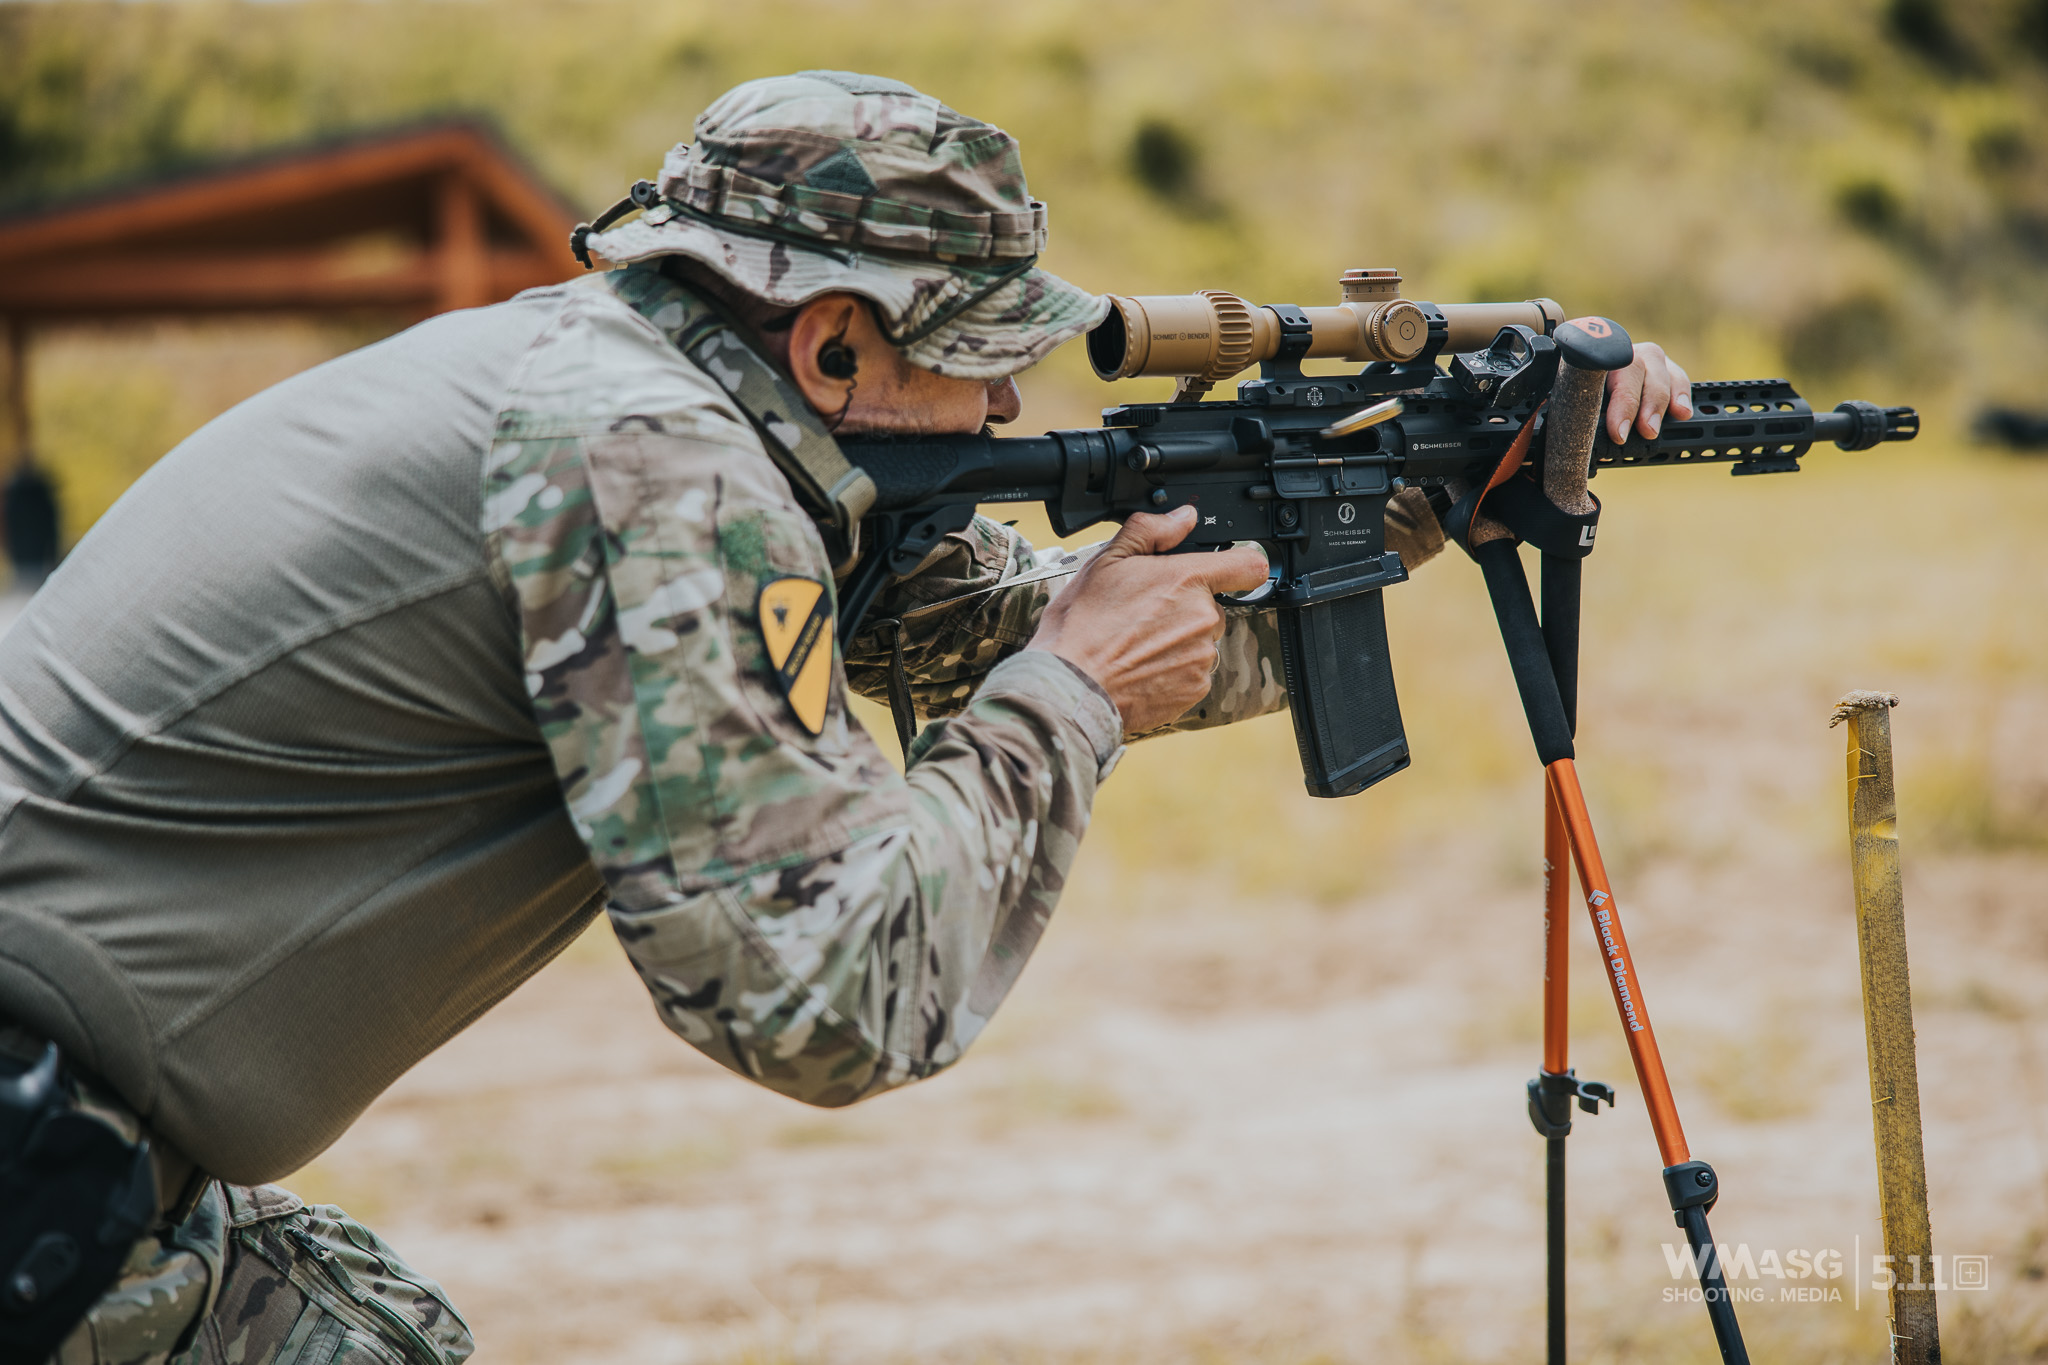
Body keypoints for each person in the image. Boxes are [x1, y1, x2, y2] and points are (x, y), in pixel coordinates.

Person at [0, 71, 1693, 1364]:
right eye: (975, 350)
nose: (1010, 399)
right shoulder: (652, 468)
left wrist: (1410, 500)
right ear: (828, 346)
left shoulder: (642, 385)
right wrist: (1075, 696)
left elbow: (1001, 641)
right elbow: (823, 995)